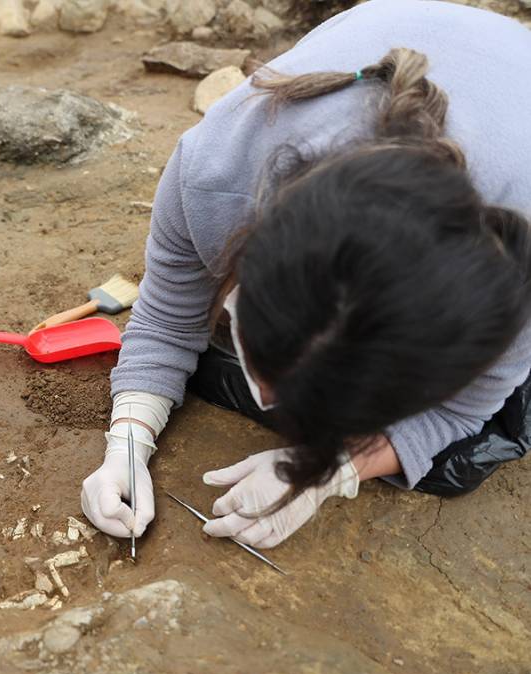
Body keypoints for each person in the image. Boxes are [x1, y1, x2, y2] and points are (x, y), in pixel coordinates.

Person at [81, 0, 531, 549]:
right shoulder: (214, 173)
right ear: (248, 264)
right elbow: (167, 316)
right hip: (394, 23)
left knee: (483, 436)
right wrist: (128, 441)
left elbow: (463, 409)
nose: (270, 407)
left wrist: (335, 467)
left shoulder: (512, 280)